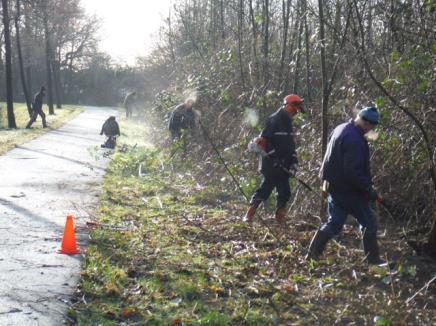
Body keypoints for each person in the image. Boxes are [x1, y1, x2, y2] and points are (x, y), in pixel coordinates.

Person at [306, 106, 384, 265]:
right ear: (365, 122)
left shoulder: (341, 128)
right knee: (369, 223)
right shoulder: (355, 139)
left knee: (334, 223)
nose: (372, 129)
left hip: (334, 188)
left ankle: (312, 254)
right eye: (372, 126)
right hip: (350, 191)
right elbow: (353, 171)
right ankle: (374, 261)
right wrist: (368, 190)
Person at [243, 94, 304, 224]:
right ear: (288, 106)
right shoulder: (273, 120)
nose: (296, 111)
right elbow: (265, 141)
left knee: (285, 191)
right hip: (270, 164)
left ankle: (280, 218)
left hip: (285, 164)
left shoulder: (289, 122)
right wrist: (275, 158)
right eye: (295, 108)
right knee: (266, 188)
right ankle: (249, 214)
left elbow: (290, 145)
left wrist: (294, 161)